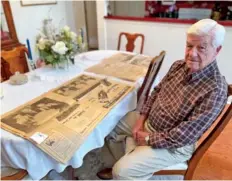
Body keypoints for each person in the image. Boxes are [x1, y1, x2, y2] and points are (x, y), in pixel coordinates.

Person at [98, 19, 228, 180]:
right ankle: (130, 160)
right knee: (108, 122)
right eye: (189, 45)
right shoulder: (178, 66)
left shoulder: (216, 89)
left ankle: (127, 167)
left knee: (122, 172)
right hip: (149, 123)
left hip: (174, 145)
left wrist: (146, 138)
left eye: (201, 47)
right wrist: (140, 120)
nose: (192, 53)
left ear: (217, 50)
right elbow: (156, 92)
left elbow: (183, 136)